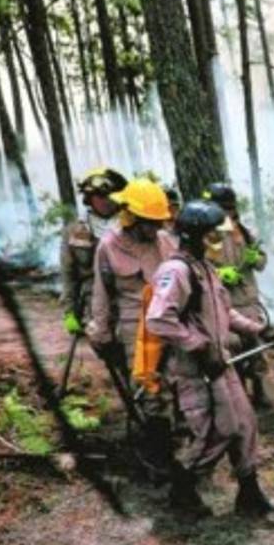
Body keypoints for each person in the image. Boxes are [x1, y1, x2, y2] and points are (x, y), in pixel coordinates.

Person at [145, 200, 274, 519]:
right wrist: (199, 346)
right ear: (193, 235)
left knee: (245, 425)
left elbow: (225, 312)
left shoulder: (205, 269)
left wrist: (259, 330)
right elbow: (158, 319)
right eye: (212, 235)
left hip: (220, 364)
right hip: (195, 370)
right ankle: (182, 491)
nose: (219, 240)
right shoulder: (176, 271)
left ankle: (250, 494)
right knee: (216, 431)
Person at [86, 177, 177, 479]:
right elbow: (101, 294)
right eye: (151, 222)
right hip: (134, 329)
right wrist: (101, 332)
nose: (157, 228)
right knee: (148, 390)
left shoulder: (165, 242)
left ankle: (179, 442)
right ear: (132, 217)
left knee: (177, 383)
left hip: (169, 323)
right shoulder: (109, 246)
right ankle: (159, 458)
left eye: (159, 222)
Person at [203, 182, 274, 411]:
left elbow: (262, 262)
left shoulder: (243, 231)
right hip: (223, 302)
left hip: (248, 300)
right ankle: (239, 392)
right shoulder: (205, 234)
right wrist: (219, 274)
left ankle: (259, 390)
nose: (227, 213)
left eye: (228, 208)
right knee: (232, 349)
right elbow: (197, 267)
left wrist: (256, 259)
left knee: (256, 348)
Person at [60, 167, 127, 336]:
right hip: (94, 301)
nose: (107, 201)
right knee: (102, 342)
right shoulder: (75, 231)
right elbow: (69, 274)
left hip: (128, 297)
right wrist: (70, 312)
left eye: (111, 195)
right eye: (100, 196)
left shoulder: (131, 226)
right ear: (89, 198)